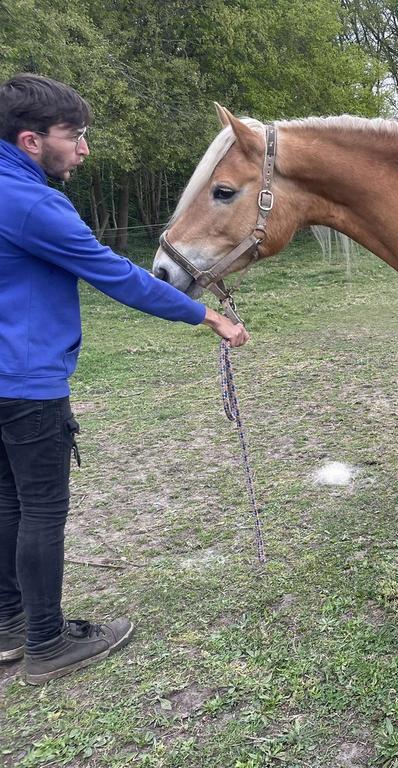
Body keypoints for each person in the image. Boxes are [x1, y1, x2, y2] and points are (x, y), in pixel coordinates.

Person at [0, 73, 249, 685]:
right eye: (73, 136)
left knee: (7, 502)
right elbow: (118, 276)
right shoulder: (32, 203)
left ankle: (9, 623)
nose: (84, 148)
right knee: (40, 509)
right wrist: (206, 314)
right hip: (26, 381)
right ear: (32, 141)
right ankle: (47, 643)